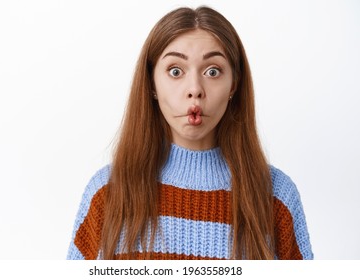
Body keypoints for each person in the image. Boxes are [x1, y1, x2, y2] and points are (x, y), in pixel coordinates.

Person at [67, 6, 313, 260]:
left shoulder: (276, 196)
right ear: (151, 82)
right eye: (176, 71)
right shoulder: (107, 192)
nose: (194, 89)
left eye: (212, 71)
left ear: (234, 84)